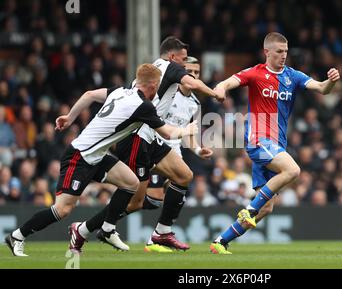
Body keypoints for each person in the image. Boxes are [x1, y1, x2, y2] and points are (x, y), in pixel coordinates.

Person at [4, 63, 198, 257]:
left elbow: (89, 95)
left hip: (98, 156)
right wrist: (186, 131)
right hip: (80, 157)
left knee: (131, 182)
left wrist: (70, 117)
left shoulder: (121, 91)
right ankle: (17, 236)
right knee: (63, 209)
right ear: (154, 86)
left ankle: (107, 228)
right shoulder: (143, 106)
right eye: (157, 88)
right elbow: (167, 132)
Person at [69, 37, 221, 253]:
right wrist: (216, 93)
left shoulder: (165, 81)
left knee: (184, 176)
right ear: (172, 57)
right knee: (135, 202)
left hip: (152, 138)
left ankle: (162, 232)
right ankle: (85, 230)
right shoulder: (170, 70)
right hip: (136, 138)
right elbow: (190, 85)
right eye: (185, 62)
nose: (189, 72)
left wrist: (195, 147)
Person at [210, 32, 340, 254]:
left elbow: (321, 88)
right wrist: (220, 90)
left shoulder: (293, 76)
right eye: (279, 52)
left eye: (286, 52)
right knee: (293, 170)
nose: (283, 56)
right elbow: (227, 82)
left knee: (267, 208)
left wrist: (330, 81)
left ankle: (220, 242)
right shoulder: (255, 73)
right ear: (267, 52)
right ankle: (249, 209)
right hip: (258, 140)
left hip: (276, 145)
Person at [143, 56, 214, 252]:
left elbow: (188, 133)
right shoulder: (168, 93)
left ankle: (156, 237)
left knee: (178, 188)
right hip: (155, 146)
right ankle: (106, 222)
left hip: (174, 151)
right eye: (189, 72)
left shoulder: (195, 103)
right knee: (152, 199)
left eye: (197, 73)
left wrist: (199, 149)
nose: (193, 76)